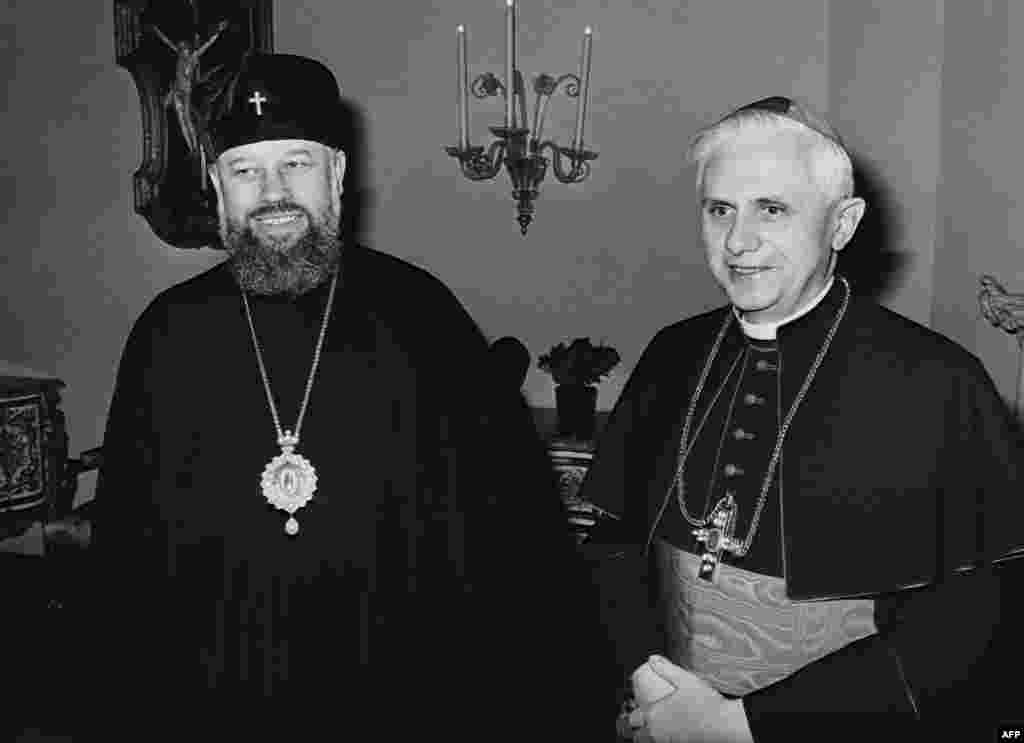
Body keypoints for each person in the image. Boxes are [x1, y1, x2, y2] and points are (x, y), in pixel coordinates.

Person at [88, 52, 609, 740]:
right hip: (213, 707)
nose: (272, 192)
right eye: (246, 170)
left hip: (400, 703)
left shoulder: (423, 317)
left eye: (296, 163)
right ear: (217, 186)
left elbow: (519, 547)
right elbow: (124, 568)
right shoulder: (165, 336)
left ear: (337, 174)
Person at [580, 96, 1024, 741]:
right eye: (720, 209)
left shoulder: (939, 382)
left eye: (772, 209)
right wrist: (655, 686)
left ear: (842, 224)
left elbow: (967, 624)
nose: (739, 241)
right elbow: (614, 544)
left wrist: (742, 726)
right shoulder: (673, 354)